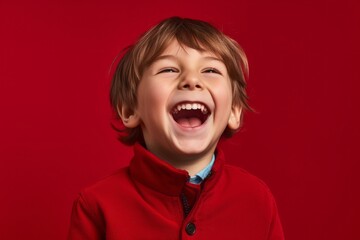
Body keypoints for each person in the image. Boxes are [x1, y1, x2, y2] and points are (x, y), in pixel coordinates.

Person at [68, 16, 285, 240]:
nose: (191, 80)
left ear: (234, 112)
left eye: (210, 70)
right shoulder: (96, 205)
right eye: (169, 69)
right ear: (130, 110)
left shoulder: (257, 200)